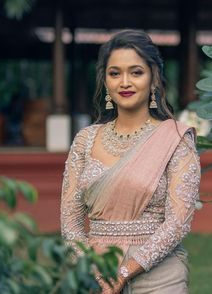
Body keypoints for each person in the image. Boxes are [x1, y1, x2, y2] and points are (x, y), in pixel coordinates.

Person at [60, 29, 201, 294]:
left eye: (136, 72)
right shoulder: (85, 141)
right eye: (115, 73)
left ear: (153, 79)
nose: (125, 82)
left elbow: (178, 222)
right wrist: (92, 271)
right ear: (106, 81)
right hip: (93, 272)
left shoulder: (176, 139)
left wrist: (125, 271)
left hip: (158, 275)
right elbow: (71, 223)